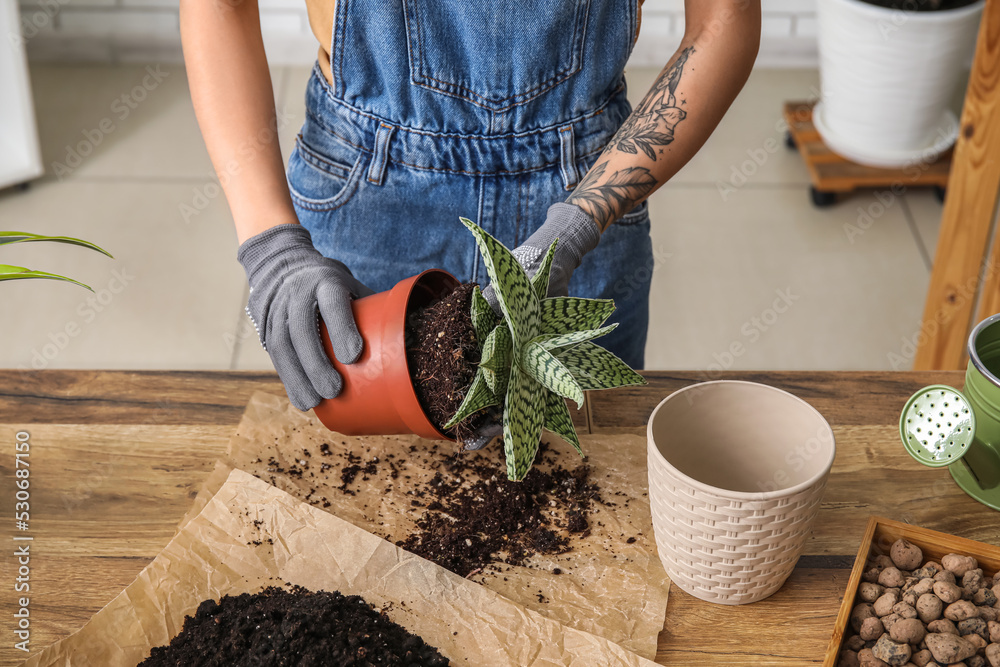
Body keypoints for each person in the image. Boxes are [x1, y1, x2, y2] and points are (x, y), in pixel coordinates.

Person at [180, 0, 760, 417]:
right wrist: (272, 248)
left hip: (583, 190)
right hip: (366, 198)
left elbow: (723, 20)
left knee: (586, 488)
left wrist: (576, 227)